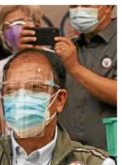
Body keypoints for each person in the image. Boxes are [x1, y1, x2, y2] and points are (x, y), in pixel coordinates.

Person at [55, 5, 115, 150]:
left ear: (107, 7)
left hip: (111, 155)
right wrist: (27, 52)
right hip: (71, 156)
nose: (78, 10)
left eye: (86, 4)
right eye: (74, 6)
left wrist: (75, 68)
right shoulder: (70, 47)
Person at [0, 5, 44, 101]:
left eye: (18, 23)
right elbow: (2, 109)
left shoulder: (55, 60)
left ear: (37, 25)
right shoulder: (1, 67)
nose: (11, 30)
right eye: (6, 26)